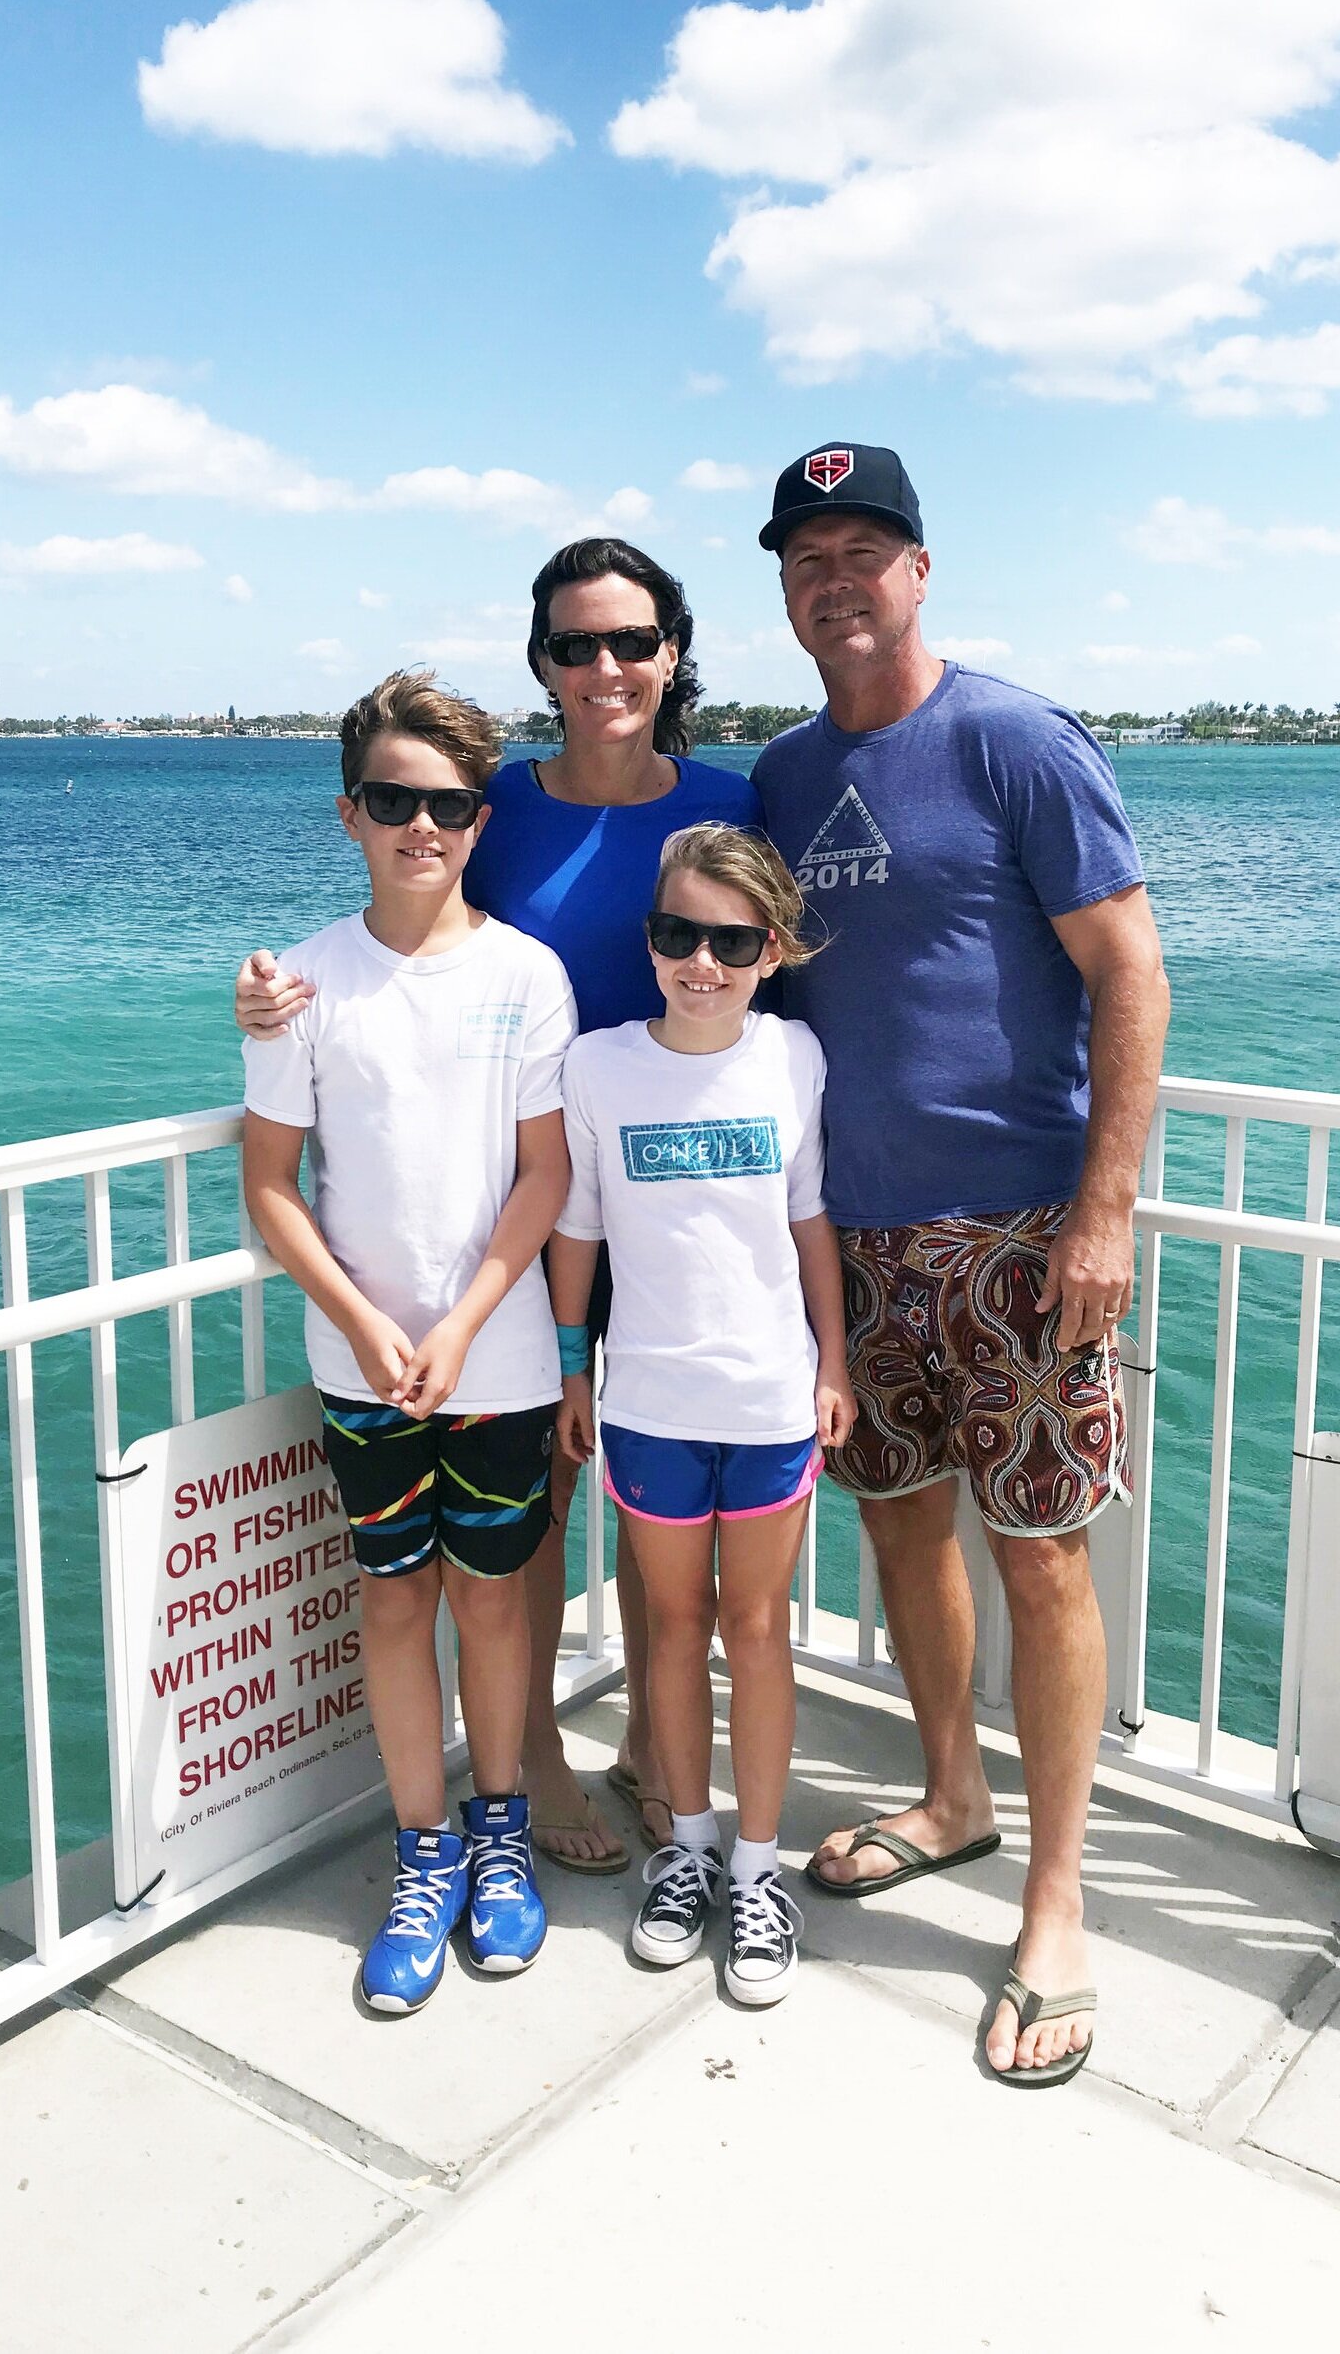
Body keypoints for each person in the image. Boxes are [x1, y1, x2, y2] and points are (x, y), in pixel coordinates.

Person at [235, 539, 759, 1872]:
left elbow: (768, 959)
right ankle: (527, 1759)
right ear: (541, 664)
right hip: (535, 1228)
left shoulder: (730, 800)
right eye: (575, 647)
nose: (604, 669)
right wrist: (264, 1004)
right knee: (533, 1515)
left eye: (630, 642)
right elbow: (396, 919)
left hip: (673, 1201)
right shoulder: (502, 805)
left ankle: (658, 1748)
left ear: (673, 654)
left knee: (658, 1503)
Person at [750, 443, 1170, 2085]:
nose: (835, 581)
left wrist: (1105, 1208)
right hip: (855, 1235)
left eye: (865, 550)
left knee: (1043, 1557)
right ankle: (952, 1794)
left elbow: (1129, 974)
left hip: (1018, 1233)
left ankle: (1057, 1900)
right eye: (805, 559)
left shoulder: (1010, 739)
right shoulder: (784, 777)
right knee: (906, 1526)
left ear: (920, 570)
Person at [239, 671, 574, 2016]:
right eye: (393, 802)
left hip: (496, 1363)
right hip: (360, 1365)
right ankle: (421, 1853)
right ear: (350, 813)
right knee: (393, 1600)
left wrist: (472, 1316)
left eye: (445, 805)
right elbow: (272, 1185)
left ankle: (500, 1834)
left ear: (478, 821)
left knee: (494, 1598)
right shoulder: (302, 982)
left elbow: (542, 1176)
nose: (419, 829)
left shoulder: (526, 974)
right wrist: (369, 1323)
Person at [550, 825, 854, 2005]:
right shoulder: (597, 1066)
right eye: (681, 934)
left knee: (758, 1629)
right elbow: (576, 1228)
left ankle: (760, 1870)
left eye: (733, 940)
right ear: (651, 941)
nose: (703, 962)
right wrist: (575, 1370)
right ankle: (685, 1849)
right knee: (670, 1634)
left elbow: (810, 1220)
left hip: (771, 1395)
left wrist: (833, 1363)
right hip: (649, 1402)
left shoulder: (796, 1057)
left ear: (771, 951)